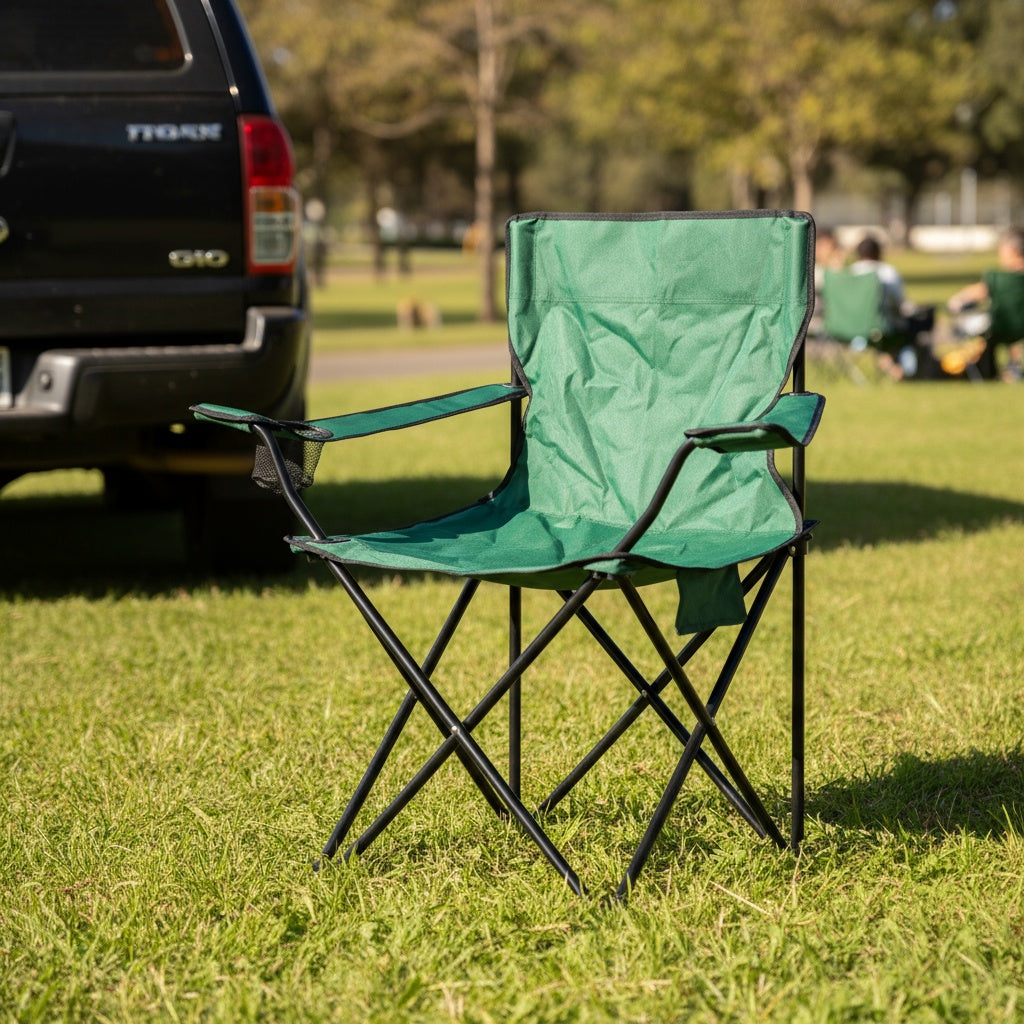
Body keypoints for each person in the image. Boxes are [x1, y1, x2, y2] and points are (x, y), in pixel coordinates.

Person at [849, 234, 934, 379]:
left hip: (851, 330)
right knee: (916, 326)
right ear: (879, 253)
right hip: (883, 329)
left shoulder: (849, 273)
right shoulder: (886, 272)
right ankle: (909, 369)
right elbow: (900, 304)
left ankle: (892, 364)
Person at [945, 227, 1024, 379]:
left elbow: (975, 293)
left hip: (999, 327)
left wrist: (956, 300)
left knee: (981, 330)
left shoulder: (998, 278)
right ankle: (1012, 368)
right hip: (1021, 328)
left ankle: (988, 371)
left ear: (1012, 251)